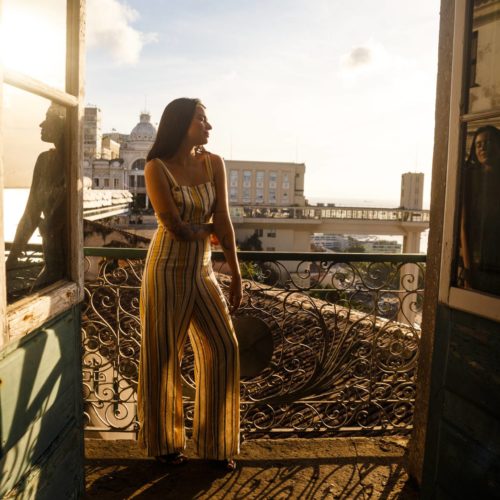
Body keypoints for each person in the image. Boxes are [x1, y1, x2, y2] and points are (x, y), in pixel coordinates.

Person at [137, 98, 242, 471]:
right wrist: (209, 230)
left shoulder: (214, 163)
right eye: (201, 119)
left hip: (202, 271)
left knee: (224, 348)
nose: (209, 127)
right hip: (165, 269)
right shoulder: (156, 167)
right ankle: (165, 444)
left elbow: (224, 219)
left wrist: (236, 270)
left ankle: (216, 445)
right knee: (163, 356)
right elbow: (176, 229)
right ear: (181, 123)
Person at [6, 103, 67, 294]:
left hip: (67, 271)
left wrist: (11, 261)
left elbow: (32, 216)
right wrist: (11, 261)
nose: (41, 124)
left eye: (48, 117)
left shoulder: (71, 163)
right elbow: (31, 215)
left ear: (64, 124)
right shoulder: (45, 161)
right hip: (54, 268)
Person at [460, 125, 500, 293]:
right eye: (478, 144)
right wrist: (469, 270)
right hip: (476, 263)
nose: (483, 147)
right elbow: (464, 225)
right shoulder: (471, 179)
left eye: (488, 142)